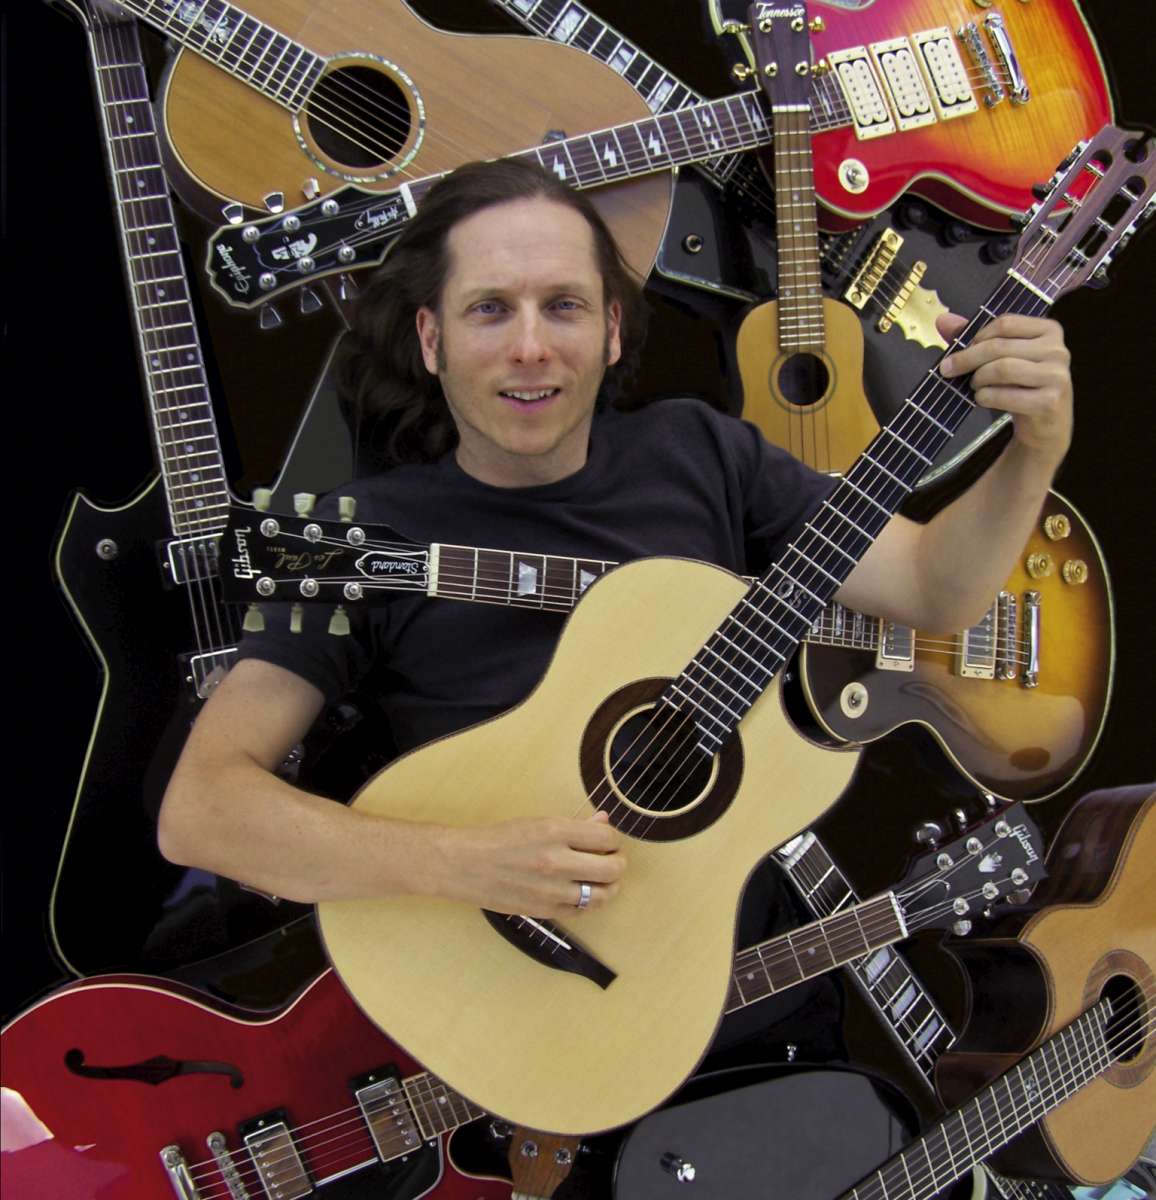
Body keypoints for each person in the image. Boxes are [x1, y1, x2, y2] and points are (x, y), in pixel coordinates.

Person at [158, 158, 1074, 924]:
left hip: (745, 969)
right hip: (534, 995)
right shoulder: (360, 536)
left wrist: (1035, 447)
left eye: (562, 306)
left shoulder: (702, 453)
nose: (530, 347)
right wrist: (463, 862)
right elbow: (202, 810)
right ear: (431, 339)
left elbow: (932, 587)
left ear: (611, 330)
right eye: (490, 310)